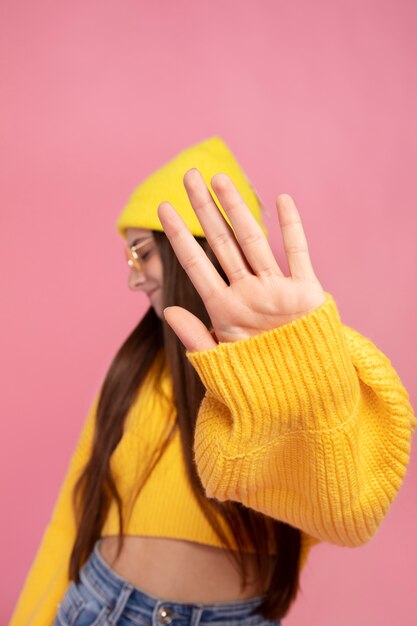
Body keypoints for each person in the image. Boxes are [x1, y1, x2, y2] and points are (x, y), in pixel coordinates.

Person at [10, 137, 416, 626]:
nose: (133, 280)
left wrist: (298, 360)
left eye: (141, 253)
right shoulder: (131, 372)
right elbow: (72, 518)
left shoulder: (299, 370)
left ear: (190, 249)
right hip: (99, 607)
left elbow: (349, 512)